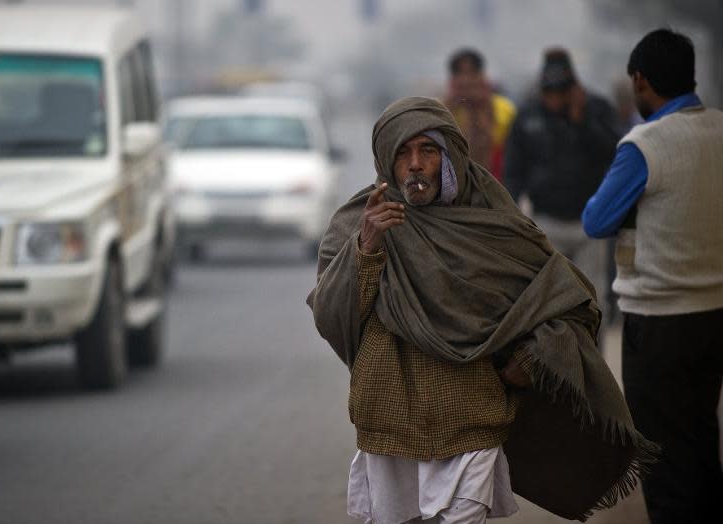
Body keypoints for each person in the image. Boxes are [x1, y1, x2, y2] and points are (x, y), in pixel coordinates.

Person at [308, 96, 656, 523]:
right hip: (390, 421)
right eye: (403, 153)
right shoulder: (360, 222)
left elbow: (567, 297)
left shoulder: (492, 216)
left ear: (450, 156)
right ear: (386, 161)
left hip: (473, 415)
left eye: (428, 150)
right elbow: (333, 317)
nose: (415, 164)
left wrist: (531, 360)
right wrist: (366, 249)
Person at [582, 29, 723, 524]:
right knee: (702, 434)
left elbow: (596, 220)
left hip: (659, 321)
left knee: (662, 453)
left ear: (641, 81)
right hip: (714, 313)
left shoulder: (645, 144)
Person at [504, 48, 620, 332]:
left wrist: (582, 120)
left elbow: (615, 154)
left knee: (594, 301)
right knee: (549, 302)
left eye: (561, 90)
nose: (554, 97)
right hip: (546, 223)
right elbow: (514, 171)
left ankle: (594, 368)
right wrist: (510, 214)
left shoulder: (597, 109)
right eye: (549, 90)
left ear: (573, 87)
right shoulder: (527, 115)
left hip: (589, 223)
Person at [444, 48, 516, 182]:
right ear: (453, 80)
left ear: (482, 76)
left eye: (472, 73)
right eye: (460, 74)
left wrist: (482, 108)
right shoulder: (442, 111)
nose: (466, 81)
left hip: (497, 184)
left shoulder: (504, 109)